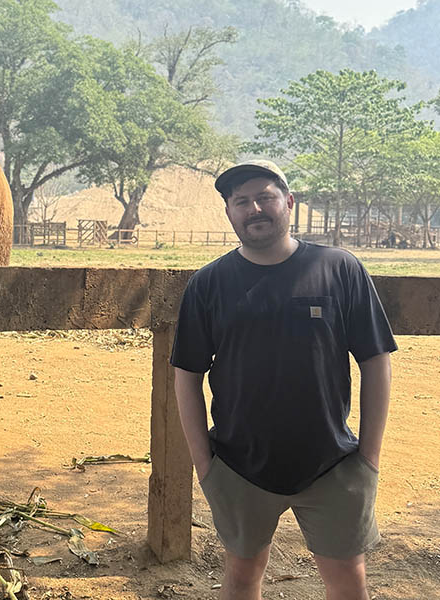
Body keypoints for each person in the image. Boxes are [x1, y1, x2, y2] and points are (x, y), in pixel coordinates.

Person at [170, 160, 396, 600]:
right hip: (238, 465)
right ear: (229, 212)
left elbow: (375, 360)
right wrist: (205, 464)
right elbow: (187, 374)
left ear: (289, 202)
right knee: (242, 574)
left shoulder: (339, 269)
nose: (254, 208)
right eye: (241, 201)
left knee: (348, 579)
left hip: (333, 463)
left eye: (265, 197)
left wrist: (369, 456)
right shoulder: (208, 284)